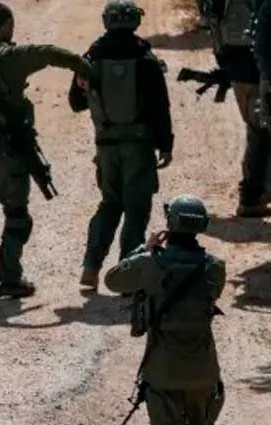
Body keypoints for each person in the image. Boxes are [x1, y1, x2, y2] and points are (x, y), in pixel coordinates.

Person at [104, 195, 226, 425]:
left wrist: (145, 249)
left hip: (164, 375)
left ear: (170, 224)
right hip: (205, 373)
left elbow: (113, 280)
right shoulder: (214, 268)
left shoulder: (151, 265)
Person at [0, 2, 93, 301]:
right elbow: (48, 53)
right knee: (17, 215)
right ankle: (10, 277)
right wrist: (83, 67)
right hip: (3, 148)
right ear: (6, 26)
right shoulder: (9, 58)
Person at [69, 1, 175, 291]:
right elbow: (159, 108)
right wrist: (166, 145)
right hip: (138, 146)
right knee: (136, 210)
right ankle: (128, 273)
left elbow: (75, 103)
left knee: (109, 205)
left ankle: (90, 268)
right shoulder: (145, 58)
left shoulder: (90, 58)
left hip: (106, 147)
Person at [199, 0, 271, 217]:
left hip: (246, 62)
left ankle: (260, 189)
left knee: (263, 127)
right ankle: (251, 197)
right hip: (248, 63)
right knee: (260, 127)